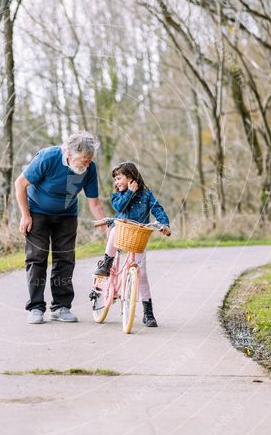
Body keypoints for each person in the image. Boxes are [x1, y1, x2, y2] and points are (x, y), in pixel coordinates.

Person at [14, 132, 108, 324]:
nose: (88, 164)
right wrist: (25, 215)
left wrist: (108, 230)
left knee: (65, 258)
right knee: (37, 258)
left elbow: (95, 204)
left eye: (90, 160)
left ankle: (60, 306)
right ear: (70, 153)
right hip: (37, 211)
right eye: (85, 159)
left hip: (67, 215)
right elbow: (20, 183)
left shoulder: (89, 170)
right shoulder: (48, 158)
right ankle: (36, 307)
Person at [93, 161, 170, 327]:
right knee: (114, 230)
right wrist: (129, 191)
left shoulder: (146, 195)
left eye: (119, 178)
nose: (116, 182)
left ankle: (148, 313)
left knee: (142, 274)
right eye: (115, 180)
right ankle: (107, 261)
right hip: (121, 233)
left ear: (131, 177)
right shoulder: (118, 195)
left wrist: (164, 224)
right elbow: (119, 206)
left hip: (138, 236)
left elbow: (157, 209)